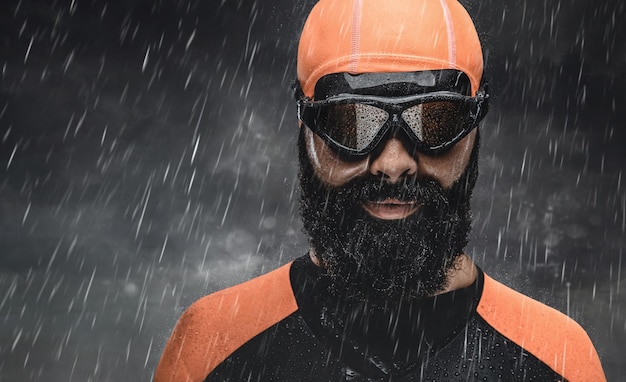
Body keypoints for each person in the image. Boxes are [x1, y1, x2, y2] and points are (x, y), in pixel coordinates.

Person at [155, 0, 606, 381]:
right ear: (305, 127)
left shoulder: (558, 359)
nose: (393, 164)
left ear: (474, 129)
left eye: (434, 121)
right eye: (352, 123)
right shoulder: (212, 344)